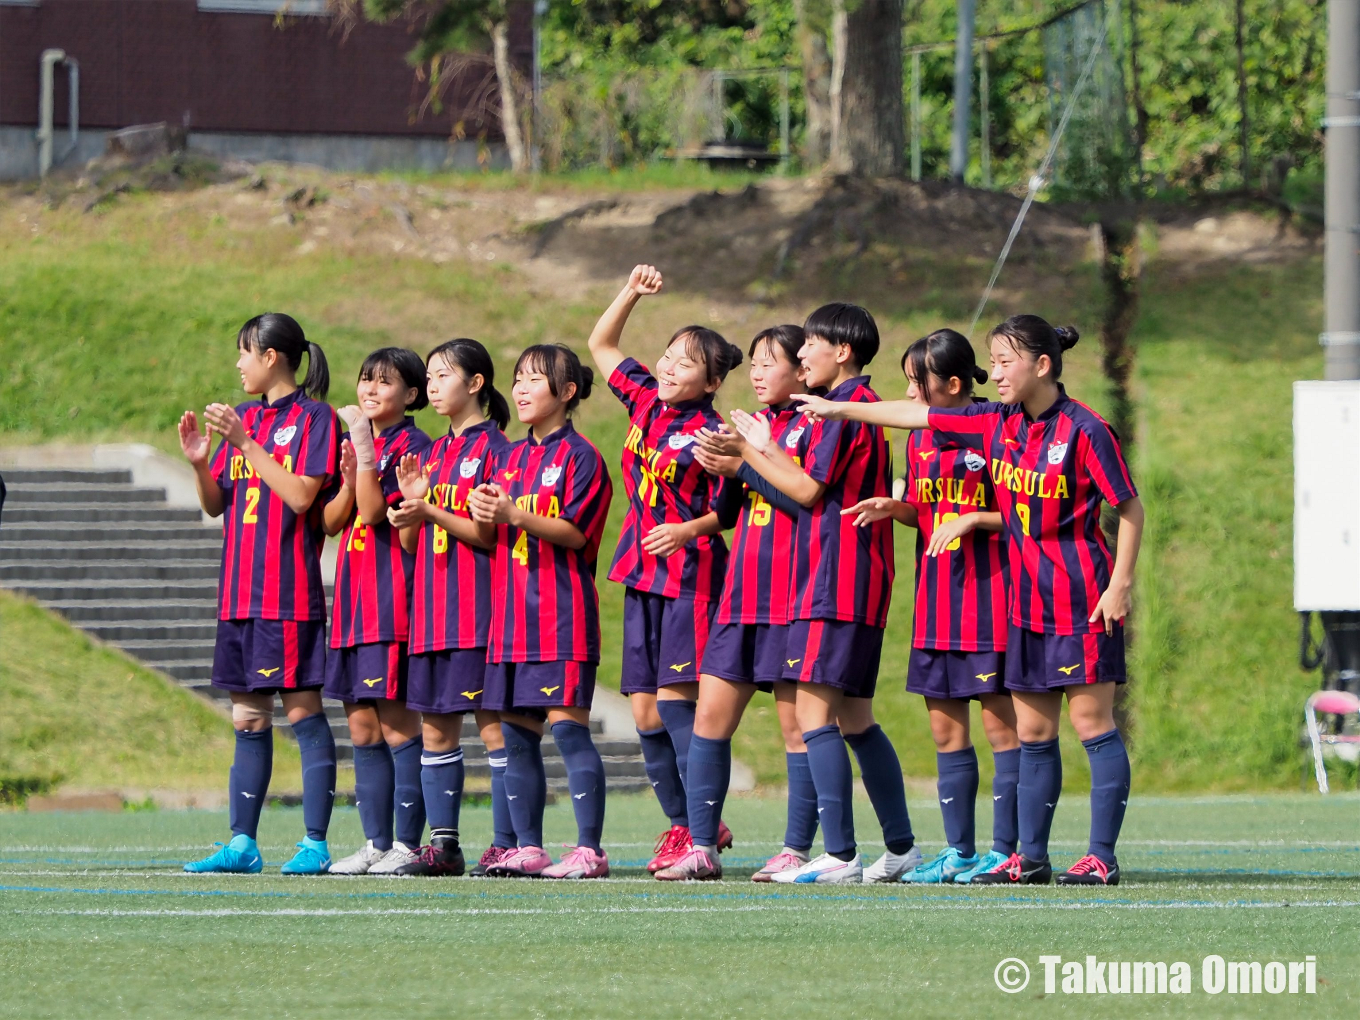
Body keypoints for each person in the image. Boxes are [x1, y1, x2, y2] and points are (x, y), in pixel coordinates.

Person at [794, 313, 1143, 886]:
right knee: (1033, 736)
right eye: (994, 360)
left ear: (1043, 365)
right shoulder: (996, 423)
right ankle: (1029, 859)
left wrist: (1120, 584)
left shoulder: (1086, 429)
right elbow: (916, 415)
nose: (996, 373)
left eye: (1006, 362)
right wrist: (839, 408)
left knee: (1092, 724)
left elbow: (1128, 507)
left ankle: (1101, 855)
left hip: (1081, 597)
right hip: (1024, 603)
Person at [722, 303, 919, 884]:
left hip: (835, 580)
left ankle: (840, 853)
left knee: (814, 715)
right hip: (849, 578)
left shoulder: (846, 408)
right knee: (856, 718)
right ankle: (901, 847)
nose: (801, 353)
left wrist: (746, 460)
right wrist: (762, 450)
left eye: (811, 343)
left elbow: (808, 490)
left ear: (844, 351)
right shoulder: (838, 407)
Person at [841, 330, 1020, 884]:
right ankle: (961, 852)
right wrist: (896, 506)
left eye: (918, 382)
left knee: (1002, 734)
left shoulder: (997, 426)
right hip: (936, 600)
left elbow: (1027, 512)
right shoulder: (919, 441)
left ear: (955, 384)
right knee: (947, 735)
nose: (910, 392)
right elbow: (924, 507)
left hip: (988, 598)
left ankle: (1007, 852)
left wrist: (974, 519)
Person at [586, 264, 742, 873]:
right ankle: (689, 823)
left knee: (678, 705)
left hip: (691, 575)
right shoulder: (645, 400)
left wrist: (686, 529)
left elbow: (728, 512)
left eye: (686, 361)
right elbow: (601, 344)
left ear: (713, 380)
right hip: (641, 571)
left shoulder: (712, 432)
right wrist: (631, 291)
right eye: (670, 355)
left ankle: (695, 830)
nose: (671, 366)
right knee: (645, 712)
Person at [654, 325, 819, 881]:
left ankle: (796, 849)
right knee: (708, 719)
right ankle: (702, 846)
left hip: (793, 599)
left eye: (770, 363)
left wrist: (747, 460)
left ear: (803, 371)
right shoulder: (749, 427)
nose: (757, 373)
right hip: (740, 597)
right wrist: (731, 462)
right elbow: (727, 511)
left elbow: (809, 503)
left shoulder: (815, 428)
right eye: (753, 362)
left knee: (798, 729)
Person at [180, 313, 340, 875]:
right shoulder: (245, 418)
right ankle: (242, 844)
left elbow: (300, 497)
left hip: (287, 595)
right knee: (247, 719)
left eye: (244, 352)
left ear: (272, 356)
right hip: (239, 596)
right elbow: (217, 503)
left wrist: (245, 442)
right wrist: (202, 463)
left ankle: (315, 843)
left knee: (303, 714)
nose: (239, 364)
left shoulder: (315, 418)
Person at [468, 344, 614, 878]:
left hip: (560, 617)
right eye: (519, 378)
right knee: (515, 734)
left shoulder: (583, 458)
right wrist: (488, 515)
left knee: (569, 731)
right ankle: (528, 846)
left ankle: (589, 850)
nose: (523, 388)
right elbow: (489, 535)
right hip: (507, 622)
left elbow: (577, 535)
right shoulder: (505, 456)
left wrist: (515, 513)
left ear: (567, 393)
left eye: (535, 379)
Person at [386, 339, 511, 876]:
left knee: (495, 730)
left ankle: (508, 841)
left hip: (477, 610)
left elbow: (486, 537)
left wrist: (429, 508)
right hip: (432, 610)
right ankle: (445, 847)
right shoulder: (433, 452)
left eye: (443, 376)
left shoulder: (497, 449)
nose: (433, 385)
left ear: (476, 383)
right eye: (430, 376)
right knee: (435, 732)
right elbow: (416, 545)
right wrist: (410, 516)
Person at [321, 348, 433, 875]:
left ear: (411, 396)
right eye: (365, 379)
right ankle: (376, 842)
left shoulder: (413, 446)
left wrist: (363, 455)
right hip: (352, 599)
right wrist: (351, 472)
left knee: (396, 727)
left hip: (392, 601)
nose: (369, 390)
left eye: (384, 383)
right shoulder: (360, 444)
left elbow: (375, 512)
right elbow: (335, 519)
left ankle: (409, 844)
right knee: (361, 729)